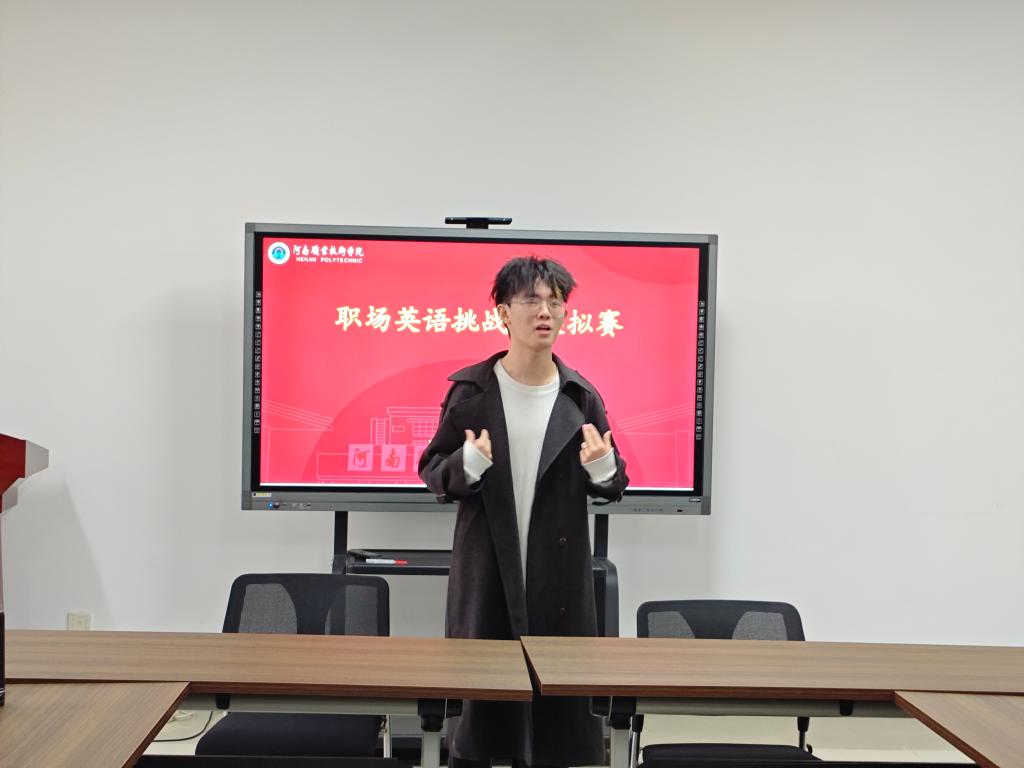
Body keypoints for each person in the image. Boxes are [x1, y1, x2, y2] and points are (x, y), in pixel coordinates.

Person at [418, 256, 629, 768]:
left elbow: (613, 481)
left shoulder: (579, 396)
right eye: (532, 300)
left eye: (556, 302)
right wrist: (468, 464)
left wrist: (603, 469)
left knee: (556, 727)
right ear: (503, 313)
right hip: (487, 575)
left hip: (560, 582)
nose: (545, 312)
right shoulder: (471, 392)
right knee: (482, 721)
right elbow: (432, 471)